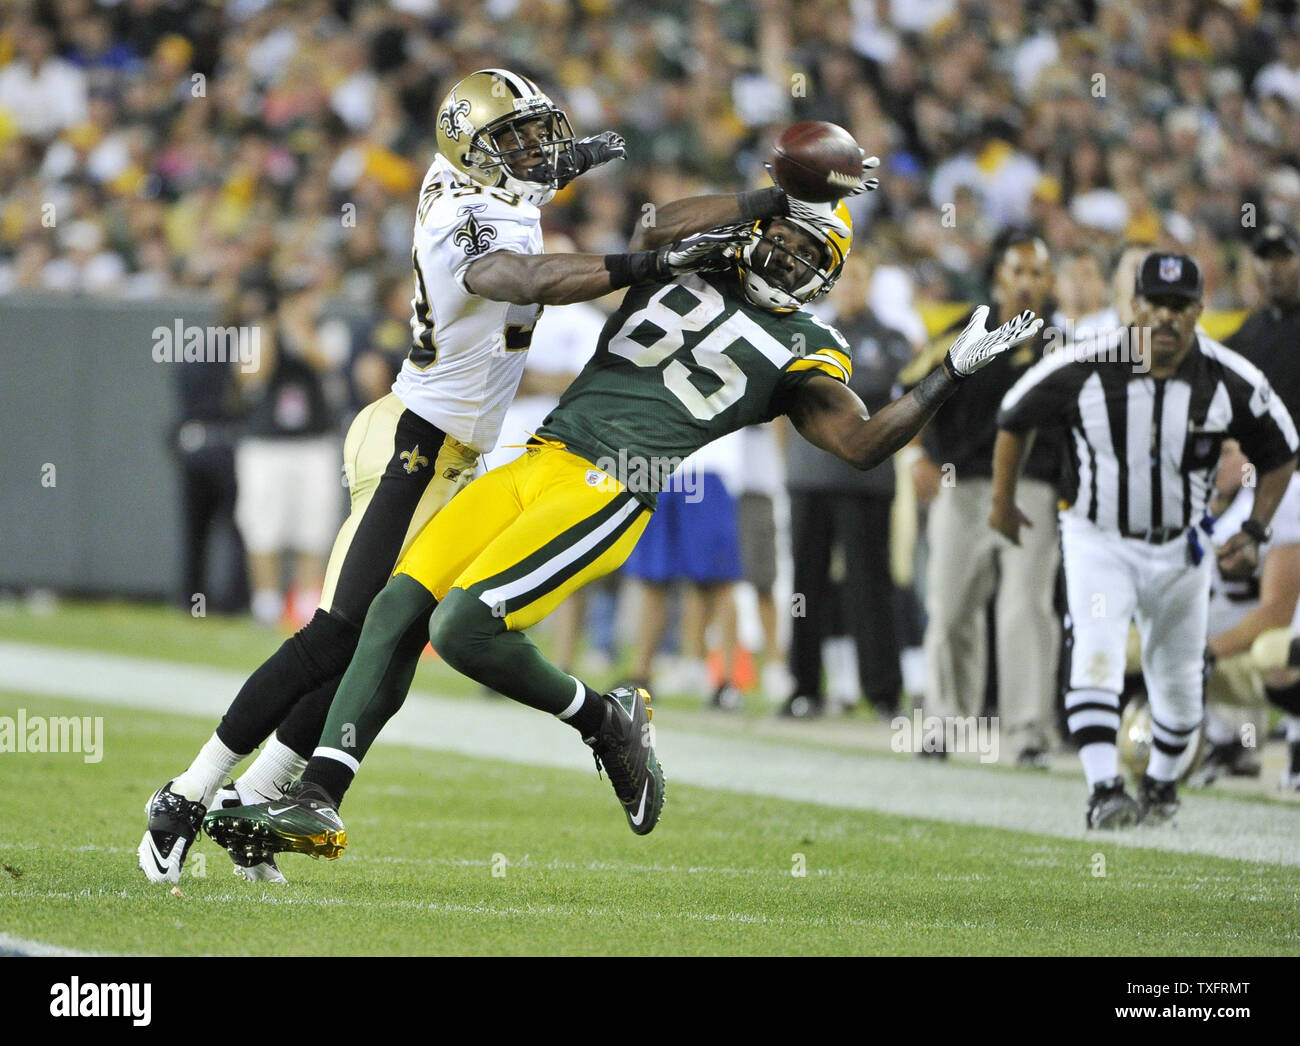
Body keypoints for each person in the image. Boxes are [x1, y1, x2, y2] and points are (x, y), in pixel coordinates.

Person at [203, 191, 1045, 864]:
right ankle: (316, 796)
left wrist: (944, 379)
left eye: (807, 253)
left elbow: (861, 443)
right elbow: (658, 223)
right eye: (781, 237)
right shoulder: (697, 256)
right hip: (538, 456)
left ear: (829, 275)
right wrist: (773, 195)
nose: (787, 255)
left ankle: (604, 719)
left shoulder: (808, 342)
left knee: (463, 627)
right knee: (393, 610)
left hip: (615, 481)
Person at [138, 67, 738, 884]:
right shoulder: (464, 215)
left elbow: (530, 182)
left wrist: (585, 154)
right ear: (475, 154)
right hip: (413, 445)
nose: (538, 152)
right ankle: (186, 794)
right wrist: (649, 262)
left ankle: (260, 799)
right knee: (340, 634)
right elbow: (523, 280)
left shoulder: (488, 181)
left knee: (380, 640)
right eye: (518, 139)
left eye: (537, 134)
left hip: (449, 449)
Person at [991, 252, 1298, 829]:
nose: (1166, 317)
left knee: (1181, 683)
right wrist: (1001, 501)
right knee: (1098, 652)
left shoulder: (1229, 378)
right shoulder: (1086, 363)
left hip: (1182, 546)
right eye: (1154, 303)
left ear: (1199, 311)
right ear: (1134, 306)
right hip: (1098, 536)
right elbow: (1014, 414)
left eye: (1179, 306)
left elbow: (1281, 451)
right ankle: (1104, 788)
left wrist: (1256, 527)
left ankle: (1159, 785)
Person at [903, 232, 1062, 766]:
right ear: (999, 277)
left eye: (1037, 272)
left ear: (1049, 282)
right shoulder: (967, 332)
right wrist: (917, 458)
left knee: (1025, 608)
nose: (1027, 282)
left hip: (1031, 488)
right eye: (1018, 271)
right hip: (962, 485)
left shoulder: (1064, 343)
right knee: (949, 608)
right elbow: (916, 394)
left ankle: (1029, 731)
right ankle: (947, 721)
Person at [782, 251, 914, 718]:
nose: (852, 284)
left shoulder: (892, 339)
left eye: (860, 276)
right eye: (847, 277)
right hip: (811, 475)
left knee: (871, 587)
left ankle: (883, 693)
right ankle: (803, 688)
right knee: (805, 588)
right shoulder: (812, 333)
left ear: (872, 281)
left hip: (866, 479)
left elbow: (884, 390)